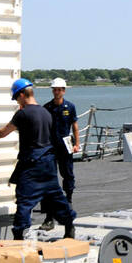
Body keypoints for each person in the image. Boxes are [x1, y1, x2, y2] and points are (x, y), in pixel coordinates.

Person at [0, 78, 76, 239]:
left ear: (22, 94)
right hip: (49, 163)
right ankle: (69, 226)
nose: (16, 101)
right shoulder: (46, 112)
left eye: (16, 98)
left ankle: (19, 234)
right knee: (56, 196)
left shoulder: (23, 114)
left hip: (31, 164)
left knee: (24, 200)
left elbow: (3, 132)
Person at [44, 76, 80, 207]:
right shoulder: (47, 107)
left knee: (68, 173)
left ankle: (69, 197)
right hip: (51, 146)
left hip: (66, 145)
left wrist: (77, 144)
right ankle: (52, 199)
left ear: (64, 91)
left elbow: (75, 126)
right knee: (50, 173)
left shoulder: (70, 107)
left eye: (59, 90)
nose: (57, 92)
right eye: (54, 90)